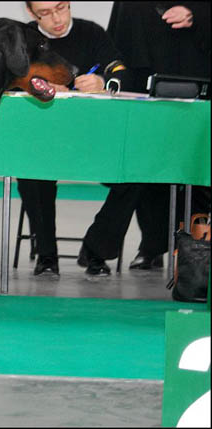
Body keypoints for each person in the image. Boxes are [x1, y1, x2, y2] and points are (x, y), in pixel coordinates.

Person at [94, 2, 212, 273]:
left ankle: (194, 253)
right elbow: (120, 32)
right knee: (146, 164)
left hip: (197, 74)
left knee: (195, 166)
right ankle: (153, 245)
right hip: (143, 80)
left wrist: (195, 14)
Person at [16, 1, 128, 276]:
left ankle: (96, 248)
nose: (57, 19)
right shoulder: (23, 39)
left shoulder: (92, 33)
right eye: (45, 13)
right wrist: (37, 86)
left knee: (134, 173)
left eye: (61, 8)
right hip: (45, 140)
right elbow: (8, 79)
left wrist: (102, 82)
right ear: (30, 13)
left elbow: (120, 70)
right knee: (31, 173)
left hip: (93, 138)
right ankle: (46, 255)